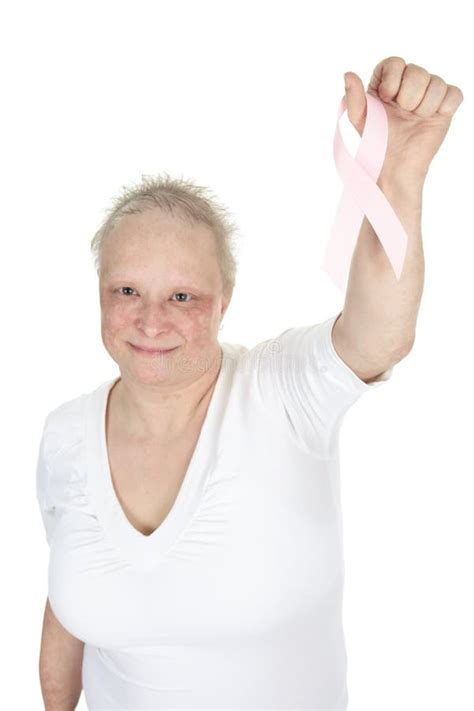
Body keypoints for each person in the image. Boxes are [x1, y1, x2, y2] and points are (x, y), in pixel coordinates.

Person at [36, 172, 397, 710]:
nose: (151, 321)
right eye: (127, 291)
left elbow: (380, 332)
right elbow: (69, 606)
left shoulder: (281, 391)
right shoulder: (66, 434)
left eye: (182, 296)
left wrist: (401, 174)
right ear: (100, 294)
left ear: (223, 303)